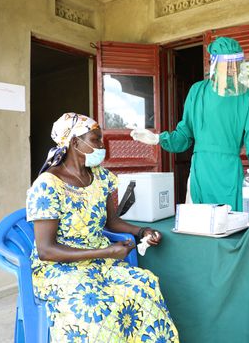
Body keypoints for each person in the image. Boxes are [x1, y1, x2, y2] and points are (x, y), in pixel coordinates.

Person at [27, 113, 179, 342]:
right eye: (96, 140)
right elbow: (46, 251)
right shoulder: (47, 185)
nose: (102, 146)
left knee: (143, 285)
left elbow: (112, 221)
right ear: (75, 143)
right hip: (60, 267)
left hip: (99, 258)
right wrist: (107, 252)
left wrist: (141, 232)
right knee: (93, 307)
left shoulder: (100, 177)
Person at [129, 36, 249, 212]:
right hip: (201, 172)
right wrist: (159, 138)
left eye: (236, 64)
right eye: (227, 65)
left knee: (231, 222)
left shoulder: (247, 98)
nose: (232, 70)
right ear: (214, 64)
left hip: (229, 174)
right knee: (199, 225)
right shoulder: (197, 92)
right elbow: (184, 135)